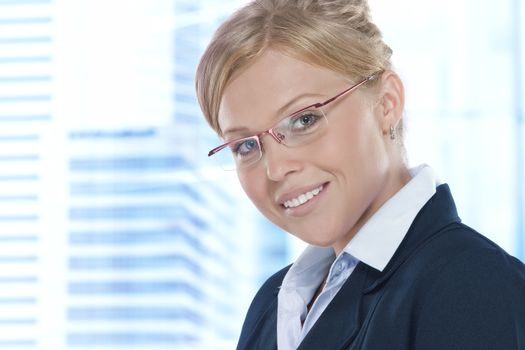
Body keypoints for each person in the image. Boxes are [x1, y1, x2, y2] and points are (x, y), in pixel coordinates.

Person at [195, 0, 525, 349]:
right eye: (245, 146)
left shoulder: (472, 285)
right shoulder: (272, 307)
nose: (275, 169)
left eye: (304, 120)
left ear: (386, 103)